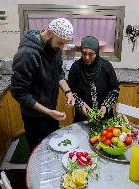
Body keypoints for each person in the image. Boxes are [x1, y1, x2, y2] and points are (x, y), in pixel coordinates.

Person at [11, 18, 75, 152]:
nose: (62, 48)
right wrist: (48, 111)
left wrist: (68, 92)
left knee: (53, 147)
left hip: (51, 110)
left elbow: (58, 73)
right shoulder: (27, 54)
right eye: (60, 43)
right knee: (38, 151)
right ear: (50, 33)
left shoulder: (54, 47)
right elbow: (19, 92)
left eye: (65, 44)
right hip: (34, 116)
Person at [68, 36, 119, 122]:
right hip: (82, 117)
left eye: (91, 54)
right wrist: (80, 104)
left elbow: (115, 90)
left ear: (97, 52)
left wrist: (106, 105)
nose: (87, 57)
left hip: (105, 117)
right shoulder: (76, 67)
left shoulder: (106, 67)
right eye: (84, 53)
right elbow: (71, 91)